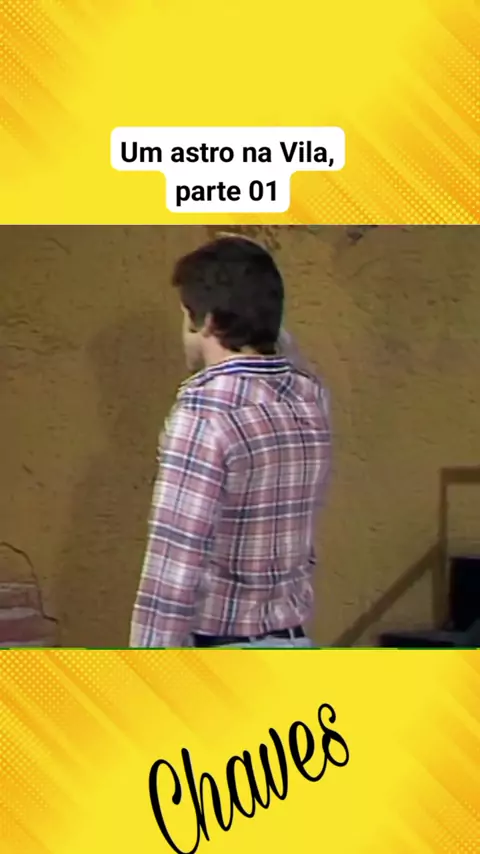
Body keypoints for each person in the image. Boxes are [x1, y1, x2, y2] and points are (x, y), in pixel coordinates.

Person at [129, 234, 331, 648]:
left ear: (205, 321)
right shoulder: (310, 399)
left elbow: (174, 566)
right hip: (293, 645)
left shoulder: (205, 413)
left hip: (224, 651)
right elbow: (284, 351)